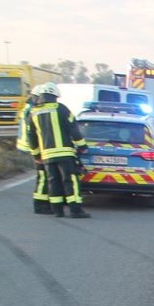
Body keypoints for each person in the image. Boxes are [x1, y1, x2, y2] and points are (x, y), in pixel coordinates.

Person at [28, 83, 90, 218]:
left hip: (46, 156)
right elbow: (74, 129)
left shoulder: (34, 113)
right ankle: (75, 210)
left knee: (53, 181)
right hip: (65, 154)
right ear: (55, 96)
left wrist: (36, 154)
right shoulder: (61, 109)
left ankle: (58, 210)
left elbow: (31, 136)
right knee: (70, 180)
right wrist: (82, 146)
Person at [18, 85, 52, 214]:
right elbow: (34, 132)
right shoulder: (32, 110)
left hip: (28, 147)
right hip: (32, 148)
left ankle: (41, 202)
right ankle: (40, 205)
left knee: (42, 176)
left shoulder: (28, 108)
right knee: (43, 176)